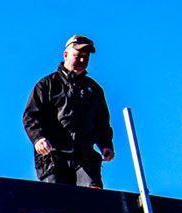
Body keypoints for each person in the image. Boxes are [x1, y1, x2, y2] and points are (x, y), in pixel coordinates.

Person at [22, 35, 115, 187]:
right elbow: (31, 116)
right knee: (56, 203)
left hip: (84, 157)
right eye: (77, 56)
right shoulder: (47, 85)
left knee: (93, 201)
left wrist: (106, 144)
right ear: (65, 55)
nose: (82, 61)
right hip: (53, 156)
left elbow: (101, 122)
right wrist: (38, 138)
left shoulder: (94, 90)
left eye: (85, 57)